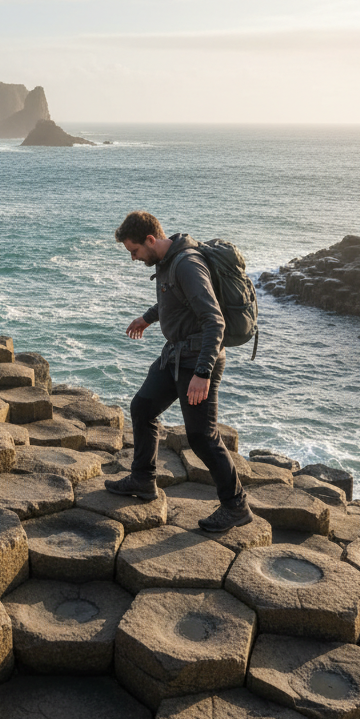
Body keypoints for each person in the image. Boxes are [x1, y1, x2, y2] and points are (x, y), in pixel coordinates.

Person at [105, 210, 253, 532]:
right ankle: (143, 480)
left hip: (197, 360)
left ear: (150, 239)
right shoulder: (166, 261)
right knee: (142, 407)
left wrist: (203, 372)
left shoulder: (187, 264)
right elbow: (174, 301)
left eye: (134, 251)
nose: (133, 258)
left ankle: (236, 505)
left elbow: (215, 320)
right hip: (175, 355)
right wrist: (147, 318)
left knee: (202, 437)